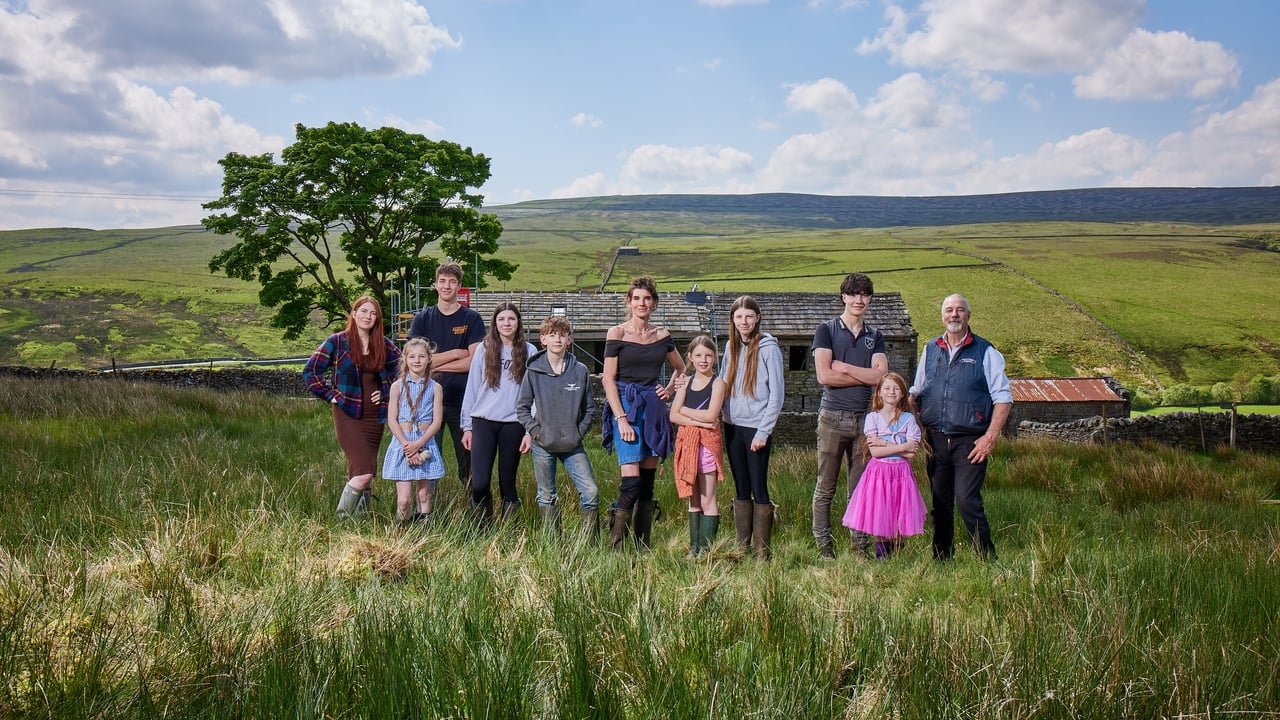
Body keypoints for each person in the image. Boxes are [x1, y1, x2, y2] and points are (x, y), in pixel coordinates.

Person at [910, 294, 1012, 561]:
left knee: (967, 501)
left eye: (959, 310)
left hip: (970, 441)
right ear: (942, 315)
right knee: (940, 503)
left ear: (968, 315)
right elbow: (917, 390)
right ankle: (942, 558)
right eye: (949, 310)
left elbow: (1003, 397)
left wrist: (990, 437)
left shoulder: (986, 351)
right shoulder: (930, 349)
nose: (954, 315)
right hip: (935, 438)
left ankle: (985, 558)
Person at [602, 276, 686, 551]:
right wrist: (621, 418)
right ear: (629, 302)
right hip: (625, 405)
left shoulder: (662, 336)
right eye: (636, 298)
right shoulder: (617, 333)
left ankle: (642, 547)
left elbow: (681, 368)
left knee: (647, 484)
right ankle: (616, 548)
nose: (642, 303)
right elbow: (608, 379)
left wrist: (670, 390)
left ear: (654, 303)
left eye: (647, 298)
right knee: (631, 481)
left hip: (653, 408)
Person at [811, 272, 888, 559]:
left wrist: (845, 368)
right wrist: (866, 375)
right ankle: (824, 548)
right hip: (832, 417)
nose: (859, 299)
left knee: (859, 490)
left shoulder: (875, 335)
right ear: (843, 296)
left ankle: (860, 549)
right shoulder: (826, 330)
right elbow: (823, 375)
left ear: (869, 299)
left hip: (865, 421)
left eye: (865, 294)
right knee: (825, 487)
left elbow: (881, 378)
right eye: (853, 293)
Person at [304, 295, 401, 518]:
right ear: (354, 314)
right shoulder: (337, 341)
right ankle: (342, 519)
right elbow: (310, 371)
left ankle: (361, 522)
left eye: (373, 313)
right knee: (365, 471)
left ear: (378, 318)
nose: (368, 316)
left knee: (361, 472)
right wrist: (330, 396)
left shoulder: (383, 344)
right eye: (364, 311)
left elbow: (404, 370)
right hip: (347, 413)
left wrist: (386, 392)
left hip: (375, 417)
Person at [516, 315, 600, 541]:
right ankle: (553, 544)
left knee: (591, 492)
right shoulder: (533, 370)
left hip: (572, 444)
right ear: (543, 339)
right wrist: (536, 432)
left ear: (569, 339)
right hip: (543, 444)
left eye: (562, 335)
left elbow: (590, 409)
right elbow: (522, 408)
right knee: (546, 495)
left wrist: (577, 433)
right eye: (552, 335)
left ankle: (588, 545)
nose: (557, 340)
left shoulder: (579, 370)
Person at [407, 262, 486, 496]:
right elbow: (414, 360)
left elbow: (475, 361)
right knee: (428, 459)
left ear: (459, 286)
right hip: (427, 403)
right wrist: (454, 353)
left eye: (452, 281)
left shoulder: (471, 319)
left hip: (463, 403)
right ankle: (427, 515)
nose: (447, 286)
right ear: (435, 285)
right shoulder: (422, 319)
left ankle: (477, 514)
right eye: (442, 281)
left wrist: (433, 363)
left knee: (469, 462)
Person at [720, 296, 785, 560]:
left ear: (757, 318)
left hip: (756, 428)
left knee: (759, 486)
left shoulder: (769, 349)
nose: (743, 321)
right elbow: (722, 385)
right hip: (732, 425)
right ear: (733, 321)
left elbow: (776, 395)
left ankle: (762, 553)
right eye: (738, 317)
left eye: (748, 316)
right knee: (740, 487)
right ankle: (741, 548)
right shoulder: (730, 347)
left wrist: (763, 431)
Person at [461, 302, 536, 525]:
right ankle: (482, 528)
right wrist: (467, 426)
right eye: (501, 319)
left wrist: (530, 430)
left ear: (518, 323)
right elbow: (472, 387)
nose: (506, 323)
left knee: (508, 482)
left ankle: (508, 532)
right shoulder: (484, 349)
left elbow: (535, 393)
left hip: (513, 423)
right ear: (495, 323)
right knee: (480, 482)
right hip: (483, 422)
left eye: (511, 319)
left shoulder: (529, 351)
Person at [842, 372, 927, 559]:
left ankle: (895, 551)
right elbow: (876, 452)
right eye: (887, 388)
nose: (891, 392)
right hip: (879, 473)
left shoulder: (908, 419)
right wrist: (902, 446)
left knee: (898, 513)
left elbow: (911, 453)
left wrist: (884, 442)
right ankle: (882, 557)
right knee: (880, 513)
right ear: (879, 393)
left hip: (901, 474)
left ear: (903, 394)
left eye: (896, 388)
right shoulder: (873, 418)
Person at [670, 336, 727, 558]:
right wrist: (698, 421)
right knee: (693, 499)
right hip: (688, 445)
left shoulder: (718, 383)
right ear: (690, 358)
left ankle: (707, 550)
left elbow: (712, 415)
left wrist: (686, 412)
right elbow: (673, 414)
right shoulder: (685, 381)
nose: (703, 360)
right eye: (699, 355)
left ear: (714, 358)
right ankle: (694, 548)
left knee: (707, 498)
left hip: (708, 447)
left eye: (708, 355)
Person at [381, 338, 446, 524]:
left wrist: (419, 443)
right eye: (412, 356)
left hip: (425, 442)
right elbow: (392, 420)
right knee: (404, 500)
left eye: (421, 356)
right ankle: (402, 534)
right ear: (405, 359)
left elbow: (437, 421)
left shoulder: (436, 388)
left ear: (429, 359)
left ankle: (423, 533)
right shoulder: (397, 387)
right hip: (403, 443)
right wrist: (407, 446)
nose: (417, 361)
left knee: (424, 494)